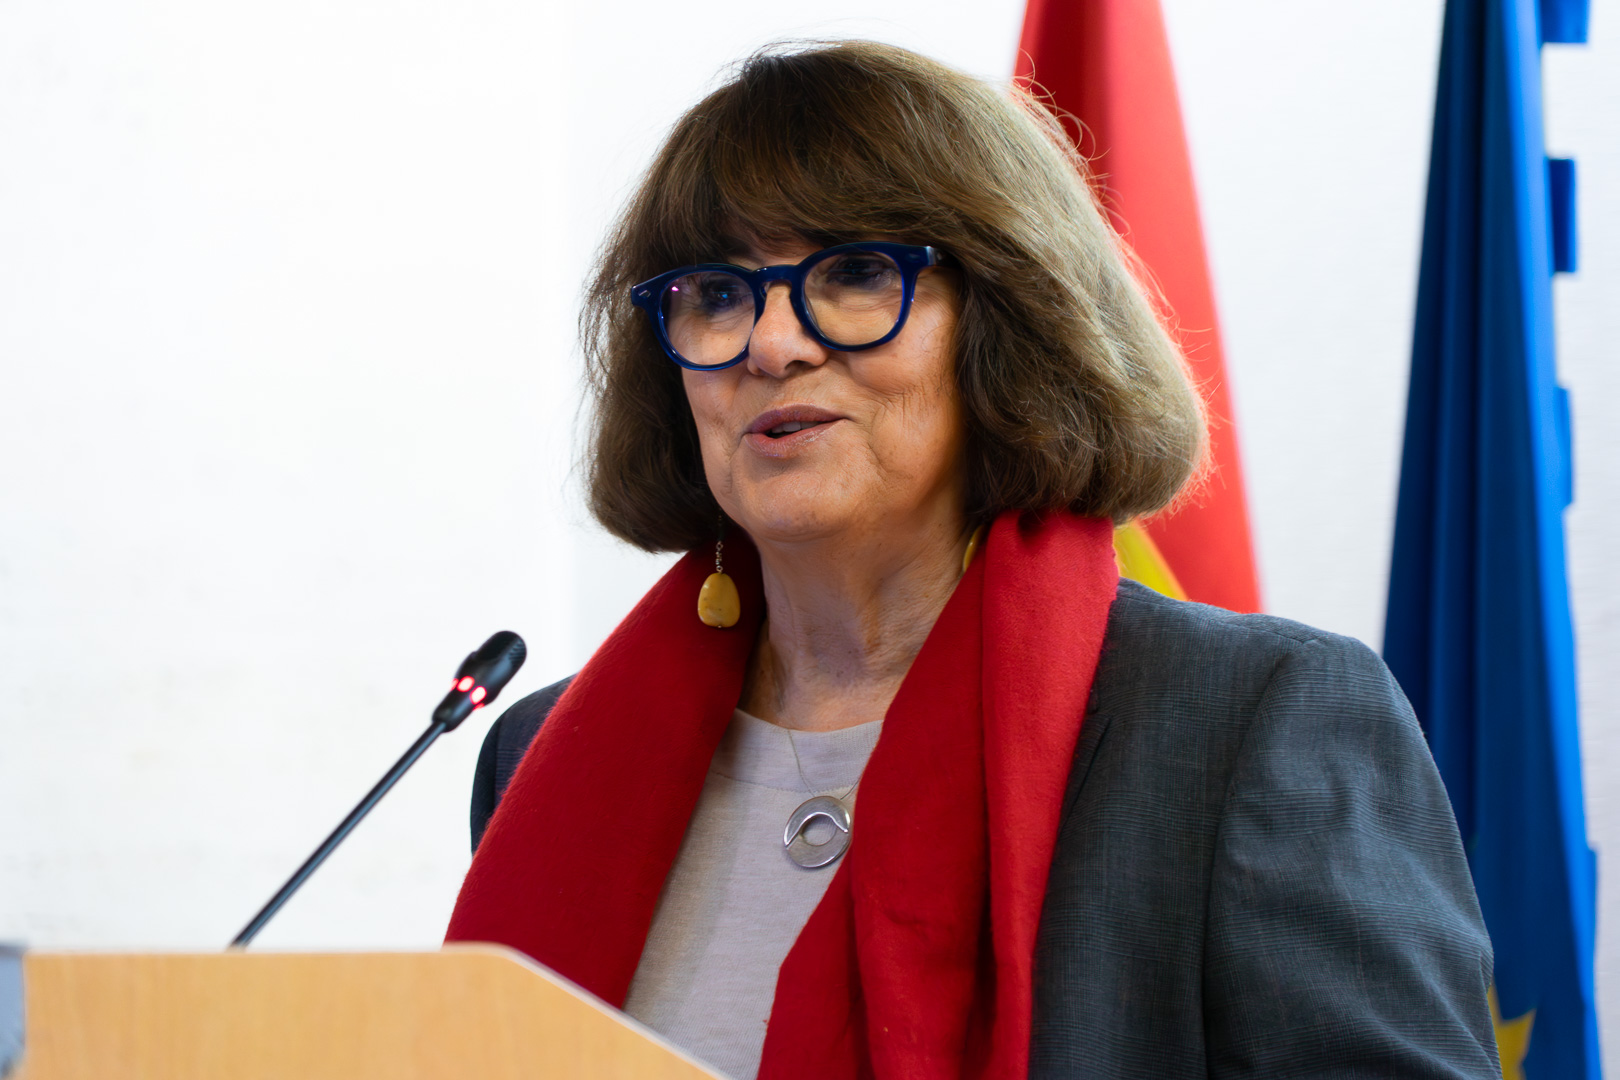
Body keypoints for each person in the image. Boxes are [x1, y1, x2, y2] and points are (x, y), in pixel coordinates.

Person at [446, 40, 1500, 1080]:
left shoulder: (1247, 720)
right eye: (715, 294)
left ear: (1008, 322)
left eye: (855, 273)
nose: (771, 343)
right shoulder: (535, 752)